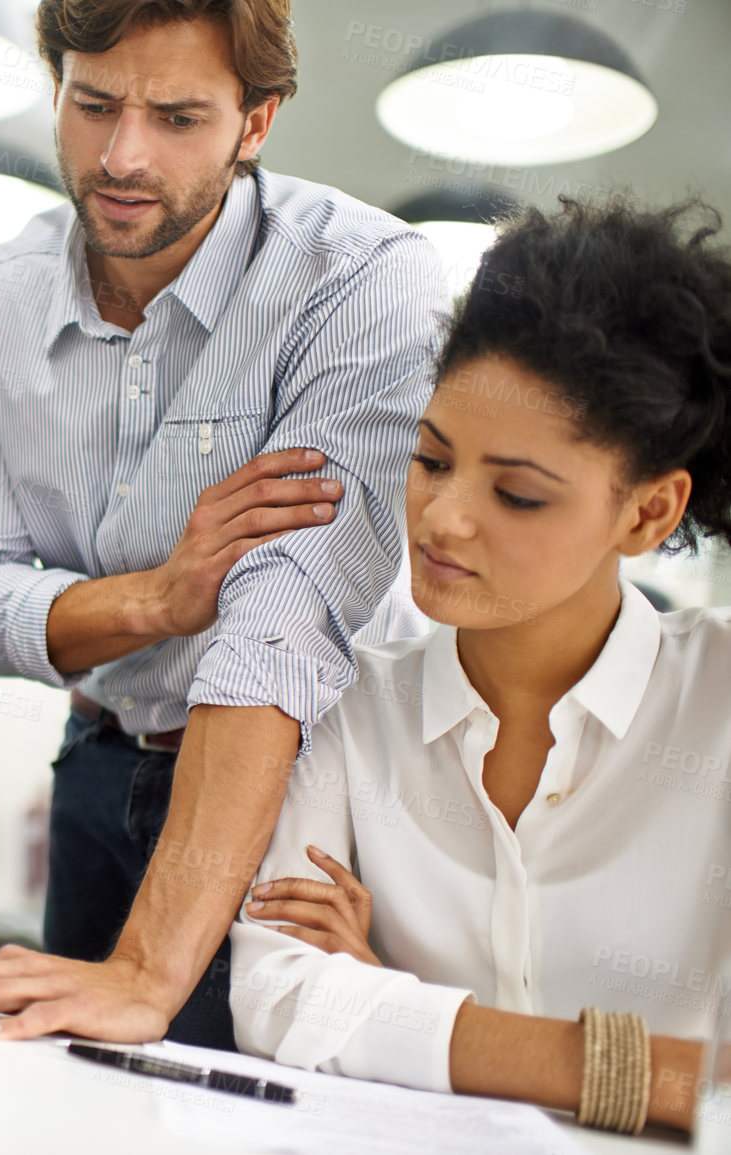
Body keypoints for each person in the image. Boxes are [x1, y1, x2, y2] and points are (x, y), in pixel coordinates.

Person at [0, 0, 447, 1046]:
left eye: (180, 118)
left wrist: (149, 967)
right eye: (92, 104)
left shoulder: (363, 278)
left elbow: (283, 618)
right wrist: (154, 597)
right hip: (97, 759)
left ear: (257, 121)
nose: (123, 157)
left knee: (257, 1111)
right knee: (62, 1096)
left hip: (296, 792)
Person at [227, 196, 731, 1135]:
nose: (442, 518)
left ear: (648, 514)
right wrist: (645, 1069)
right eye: (430, 458)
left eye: (517, 494)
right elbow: (279, 993)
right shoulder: (351, 700)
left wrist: (404, 1010)